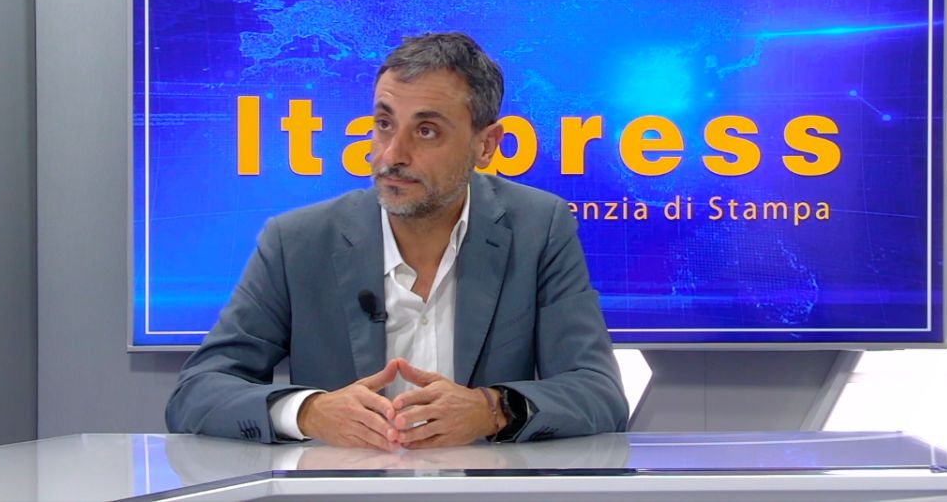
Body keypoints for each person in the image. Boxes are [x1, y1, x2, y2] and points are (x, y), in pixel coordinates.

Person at [165, 32, 628, 450]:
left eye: (426, 131)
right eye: (384, 123)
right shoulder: (297, 242)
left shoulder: (539, 228)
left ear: (485, 145)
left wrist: (492, 409)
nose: (392, 155)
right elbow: (197, 391)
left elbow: (598, 393)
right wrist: (309, 412)